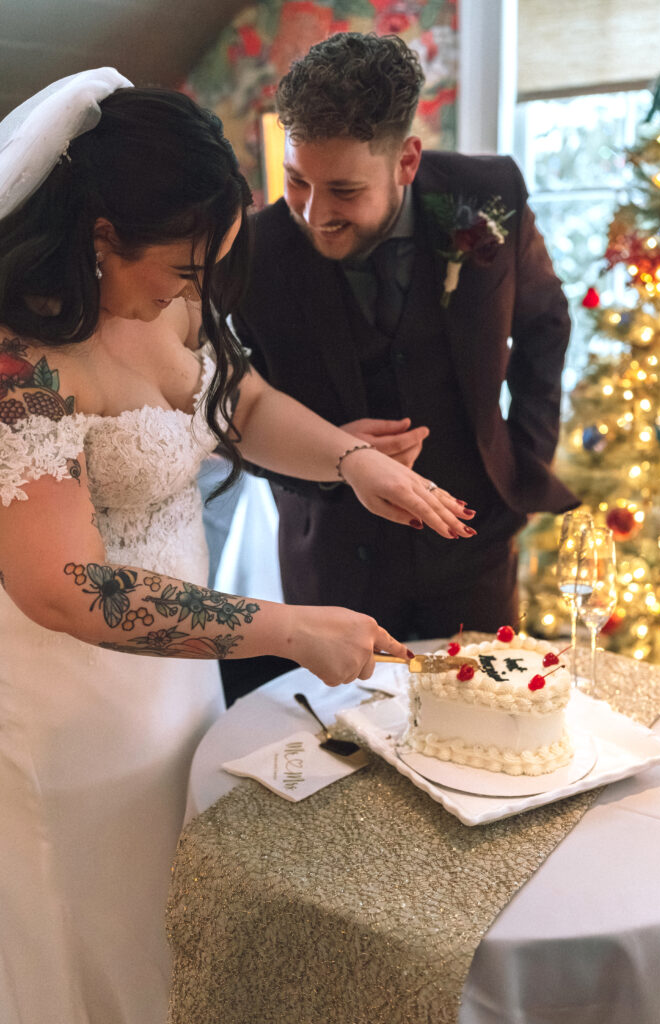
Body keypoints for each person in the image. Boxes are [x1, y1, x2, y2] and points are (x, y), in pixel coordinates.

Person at [0, 69, 475, 1024]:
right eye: (185, 268)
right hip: (65, 702)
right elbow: (62, 586)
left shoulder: (165, 299)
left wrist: (347, 459)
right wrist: (286, 628)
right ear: (99, 241)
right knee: (95, 934)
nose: (201, 291)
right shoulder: (22, 362)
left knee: (182, 915)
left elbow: (240, 404)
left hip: (175, 678)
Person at [227, 31, 579, 696]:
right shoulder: (253, 252)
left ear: (407, 161)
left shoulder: (488, 197)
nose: (313, 214)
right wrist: (330, 456)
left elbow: (545, 325)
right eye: (296, 180)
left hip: (474, 546)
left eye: (343, 190)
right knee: (349, 755)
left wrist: (524, 461)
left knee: (482, 724)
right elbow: (233, 414)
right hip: (334, 561)